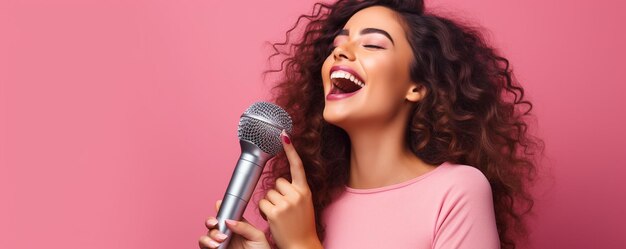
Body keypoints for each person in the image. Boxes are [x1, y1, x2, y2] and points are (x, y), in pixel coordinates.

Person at [200, 0, 544, 248]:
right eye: (337, 45)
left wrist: (303, 244)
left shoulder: (457, 192)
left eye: (372, 44)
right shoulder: (315, 202)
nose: (341, 52)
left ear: (417, 87)